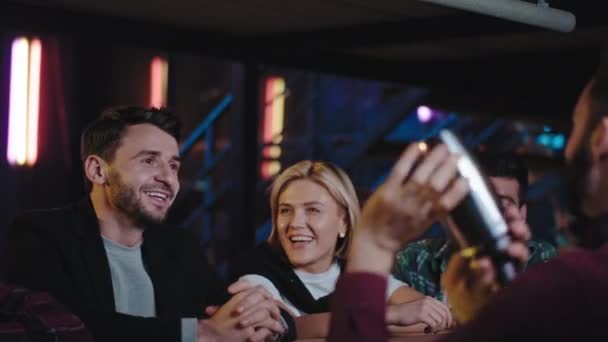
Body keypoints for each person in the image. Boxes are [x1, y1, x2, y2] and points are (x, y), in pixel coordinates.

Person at [328, 52, 608, 342]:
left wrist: (373, 244)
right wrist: (479, 309)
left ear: (602, 138)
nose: (567, 150)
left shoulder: (573, 289)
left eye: (576, 126)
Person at [1, 107, 290, 342]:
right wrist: (201, 332)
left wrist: (263, 315)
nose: (168, 178)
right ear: (97, 170)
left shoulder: (179, 246)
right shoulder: (41, 233)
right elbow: (67, 326)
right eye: (149, 161)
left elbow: (228, 312)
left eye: (174, 165)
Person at [230, 160, 454, 338]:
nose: (295, 223)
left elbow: (432, 317)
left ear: (344, 223)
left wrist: (379, 319)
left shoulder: (355, 272)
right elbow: (282, 331)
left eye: (312, 210)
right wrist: (389, 315)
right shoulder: (255, 273)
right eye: (285, 211)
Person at [394, 153, 557, 301]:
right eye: (479, 201)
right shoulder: (415, 258)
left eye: (503, 203)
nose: (489, 213)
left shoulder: (541, 260)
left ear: (522, 213)